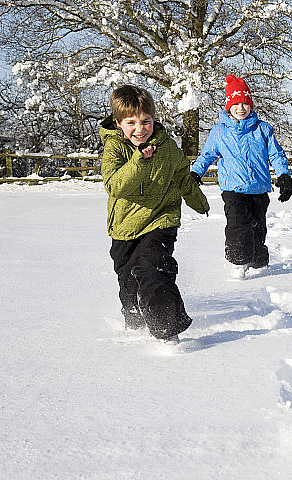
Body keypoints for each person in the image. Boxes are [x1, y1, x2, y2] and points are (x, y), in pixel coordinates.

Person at [100, 84, 210, 343]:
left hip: (161, 218)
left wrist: (198, 201)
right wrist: (139, 160)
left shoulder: (166, 147)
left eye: (145, 122)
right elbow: (114, 185)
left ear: (154, 120)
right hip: (125, 226)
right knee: (128, 279)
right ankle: (135, 320)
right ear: (118, 123)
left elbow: (182, 176)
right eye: (131, 123)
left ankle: (167, 328)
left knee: (154, 269)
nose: (140, 129)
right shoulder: (115, 148)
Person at [190, 75, 292, 279]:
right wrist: (196, 173)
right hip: (233, 189)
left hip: (258, 189)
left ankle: (258, 261)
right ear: (229, 106)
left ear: (251, 105)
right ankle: (237, 261)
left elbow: (276, 154)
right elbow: (207, 155)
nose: (241, 108)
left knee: (258, 228)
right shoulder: (219, 132)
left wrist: (284, 176)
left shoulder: (263, 129)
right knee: (238, 225)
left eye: (245, 103)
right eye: (236, 104)